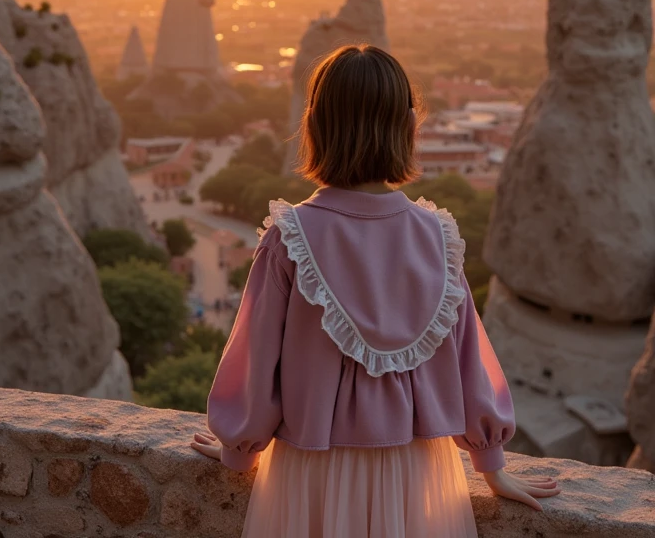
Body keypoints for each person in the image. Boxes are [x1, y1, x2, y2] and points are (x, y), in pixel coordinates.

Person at [191, 45, 560, 536]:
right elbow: (469, 356)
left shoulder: (291, 237)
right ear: (409, 127)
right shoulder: (437, 237)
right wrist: (491, 468)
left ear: (315, 126)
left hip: (309, 470)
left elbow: (257, 359)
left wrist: (239, 450)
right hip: (418, 473)